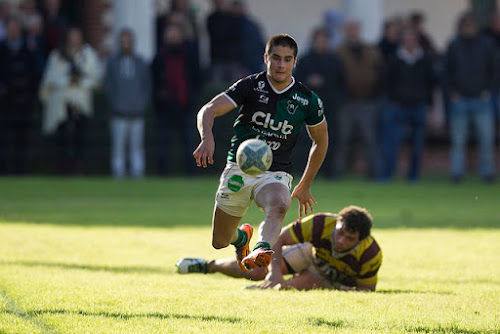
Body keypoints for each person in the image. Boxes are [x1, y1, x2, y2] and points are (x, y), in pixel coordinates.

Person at [193, 34, 328, 272]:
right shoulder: (250, 86)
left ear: (294, 63)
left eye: (287, 60)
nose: (281, 65)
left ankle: (262, 248)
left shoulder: (307, 100)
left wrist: (305, 184)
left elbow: (321, 140)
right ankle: (241, 240)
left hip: (276, 171)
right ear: (266, 58)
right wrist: (207, 137)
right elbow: (209, 109)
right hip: (238, 167)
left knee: (278, 205)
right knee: (219, 241)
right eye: (276, 58)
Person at [176, 205, 382, 291]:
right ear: (337, 223)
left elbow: (365, 291)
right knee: (257, 270)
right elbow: (279, 238)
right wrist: (274, 273)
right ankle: (208, 266)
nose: (341, 240)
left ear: (361, 240)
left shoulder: (370, 254)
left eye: (349, 238)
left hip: (331, 277)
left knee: (286, 289)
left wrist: (332, 287)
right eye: (340, 232)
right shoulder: (321, 223)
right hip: (311, 254)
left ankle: (257, 293)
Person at [39, 26, 100, 175]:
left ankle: (78, 171)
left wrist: (79, 81)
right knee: (62, 140)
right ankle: (62, 170)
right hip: (61, 104)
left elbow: (95, 79)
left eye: (77, 37)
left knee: (80, 140)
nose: (74, 40)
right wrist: (67, 80)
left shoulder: (88, 55)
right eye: (72, 37)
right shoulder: (57, 55)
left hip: (81, 104)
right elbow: (50, 79)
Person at [445, 12, 496, 183]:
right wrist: (451, 92)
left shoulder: (487, 44)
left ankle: (487, 173)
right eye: (465, 25)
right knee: (458, 141)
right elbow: (446, 72)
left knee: (486, 139)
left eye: (471, 25)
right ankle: (457, 173)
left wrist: (489, 89)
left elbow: (494, 69)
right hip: (460, 100)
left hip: (481, 99)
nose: (469, 28)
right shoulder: (454, 45)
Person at [379, 27, 436, 182]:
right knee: (392, 143)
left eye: (412, 38)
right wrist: (394, 100)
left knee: (417, 145)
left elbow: (431, 83)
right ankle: (387, 174)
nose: (410, 41)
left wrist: (429, 105)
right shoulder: (394, 59)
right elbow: (387, 83)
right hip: (398, 106)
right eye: (407, 38)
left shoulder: (425, 59)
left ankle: (413, 176)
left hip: (419, 106)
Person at [333, 19, 384, 179]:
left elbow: (381, 72)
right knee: (343, 139)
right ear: (345, 31)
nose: (352, 32)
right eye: (349, 29)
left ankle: (374, 174)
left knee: (369, 140)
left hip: (367, 101)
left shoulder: (371, 51)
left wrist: (375, 94)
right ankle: (337, 173)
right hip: (346, 102)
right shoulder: (338, 52)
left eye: (355, 29)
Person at [294, 27, 343, 178]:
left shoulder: (334, 61)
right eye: (319, 40)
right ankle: (305, 172)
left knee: (330, 140)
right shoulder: (305, 60)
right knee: (305, 140)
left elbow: (341, 83)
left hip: (329, 108)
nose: (321, 43)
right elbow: (296, 82)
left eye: (324, 40)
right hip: (307, 108)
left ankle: (329, 173)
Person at [104, 28, 151, 179]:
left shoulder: (140, 62)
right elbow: (109, 86)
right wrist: (115, 102)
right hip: (119, 112)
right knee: (118, 148)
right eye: (123, 41)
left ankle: (137, 175)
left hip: (137, 112)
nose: (126, 44)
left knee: (137, 147)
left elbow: (146, 86)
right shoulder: (112, 62)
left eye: (128, 40)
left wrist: (141, 103)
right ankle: (118, 175)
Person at [152, 23, 199, 176]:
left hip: (184, 104)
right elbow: (154, 81)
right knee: (163, 143)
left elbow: (197, 77)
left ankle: (191, 173)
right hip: (165, 106)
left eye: (175, 34)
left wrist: (192, 96)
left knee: (189, 142)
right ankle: (162, 173)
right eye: (170, 34)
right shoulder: (159, 57)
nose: (172, 37)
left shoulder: (189, 55)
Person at [0, 16, 39, 175]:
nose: (13, 31)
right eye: (10, 27)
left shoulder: (29, 49)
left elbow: (35, 73)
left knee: (22, 139)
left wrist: (29, 91)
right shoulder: (1, 49)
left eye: (15, 27)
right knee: (4, 139)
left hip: (23, 102)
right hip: (5, 101)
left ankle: (20, 171)